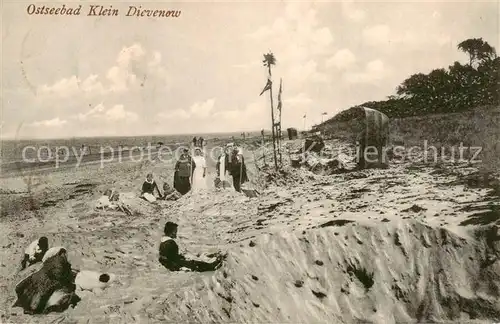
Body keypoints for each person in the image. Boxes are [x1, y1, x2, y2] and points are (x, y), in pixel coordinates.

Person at [158, 222, 224, 272]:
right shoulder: (170, 243)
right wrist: (183, 264)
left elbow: (169, 256)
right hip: (175, 265)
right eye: (175, 231)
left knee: (192, 261)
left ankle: (211, 263)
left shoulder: (163, 241)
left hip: (170, 264)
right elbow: (174, 259)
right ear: (171, 232)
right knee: (195, 263)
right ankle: (212, 266)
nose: (176, 233)